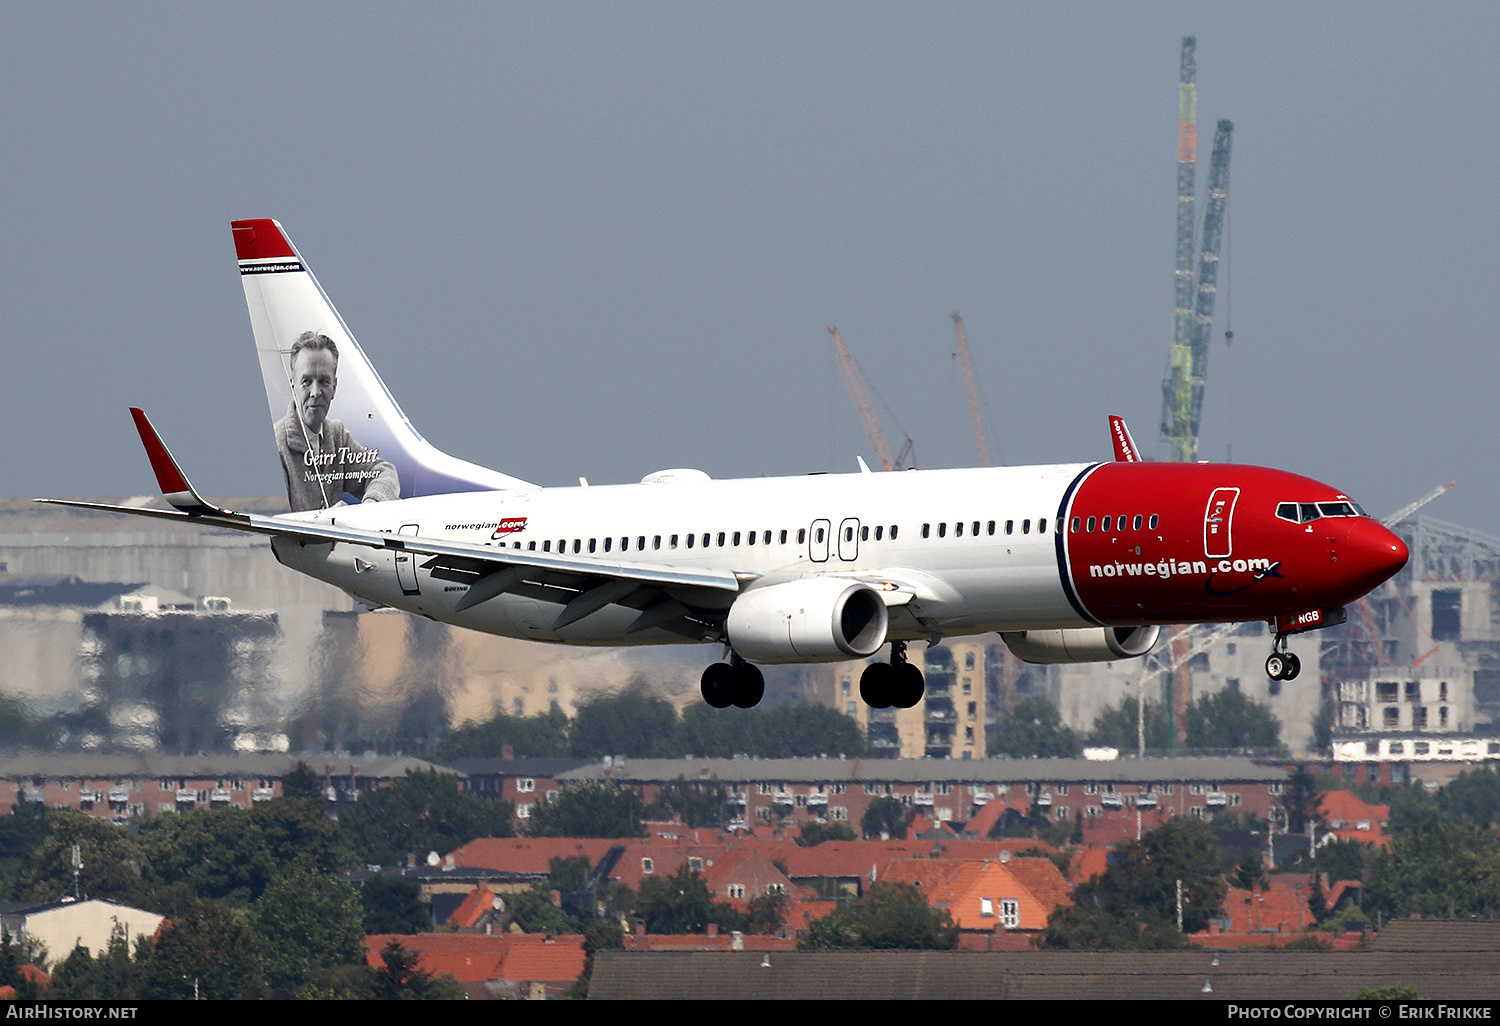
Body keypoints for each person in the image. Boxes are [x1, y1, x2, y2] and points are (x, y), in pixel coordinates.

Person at [273, 332, 400, 511]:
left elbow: (384, 472)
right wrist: (328, 520)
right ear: (293, 385)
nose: (315, 392)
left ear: (334, 387)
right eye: (306, 381)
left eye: (324, 381)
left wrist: (370, 507)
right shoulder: (278, 445)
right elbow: (273, 521)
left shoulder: (336, 435)